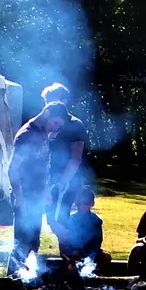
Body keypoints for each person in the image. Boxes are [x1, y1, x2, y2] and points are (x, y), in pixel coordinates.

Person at [8, 100, 69, 269]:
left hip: (36, 197)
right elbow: (12, 169)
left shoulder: (43, 134)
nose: (55, 128)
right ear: (47, 113)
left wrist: (45, 191)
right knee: (22, 244)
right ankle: (11, 281)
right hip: (25, 196)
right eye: (55, 123)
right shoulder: (27, 135)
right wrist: (20, 198)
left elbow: (42, 166)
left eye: (59, 126)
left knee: (33, 242)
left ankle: (27, 280)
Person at [42, 83, 90, 218]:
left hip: (65, 181)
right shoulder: (47, 123)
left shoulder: (75, 125)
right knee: (49, 218)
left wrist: (63, 182)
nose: (48, 105)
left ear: (64, 102)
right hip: (49, 178)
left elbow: (76, 158)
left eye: (51, 101)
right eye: (46, 101)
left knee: (59, 219)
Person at [52, 185, 109, 272]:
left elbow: (97, 243)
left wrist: (89, 257)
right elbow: (70, 242)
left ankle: (95, 274)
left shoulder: (96, 221)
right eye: (79, 203)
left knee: (106, 257)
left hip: (89, 252)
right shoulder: (72, 220)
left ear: (91, 204)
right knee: (74, 258)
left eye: (85, 203)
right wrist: (76, 251)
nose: (81, 206)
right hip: (73, 252)